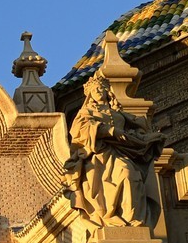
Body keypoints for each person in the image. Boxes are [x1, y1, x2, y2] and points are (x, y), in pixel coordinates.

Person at [64, 71, 161, 228]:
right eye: (95, 90)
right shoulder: (85, 112)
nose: (99, 92)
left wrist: (146, 138)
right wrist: (109, 131)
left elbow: (136, 129)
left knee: (130, 175)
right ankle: (110, 217)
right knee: (113, 180)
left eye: (101, 89)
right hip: (98, 156)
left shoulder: (118, 113)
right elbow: (79, 130)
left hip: (121, 152)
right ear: (89, 94)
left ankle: (132, 219)